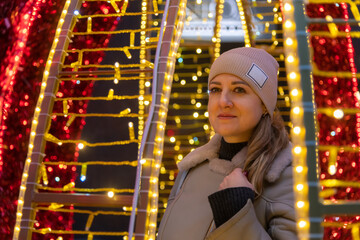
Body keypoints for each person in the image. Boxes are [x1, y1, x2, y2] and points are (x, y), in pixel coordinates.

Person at [157, 47, 298, 239]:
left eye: (239, 90)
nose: (223, 101)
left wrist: (236, 208)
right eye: (215, 89)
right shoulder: (191, 168)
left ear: (265, 105)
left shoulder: (289, 177)